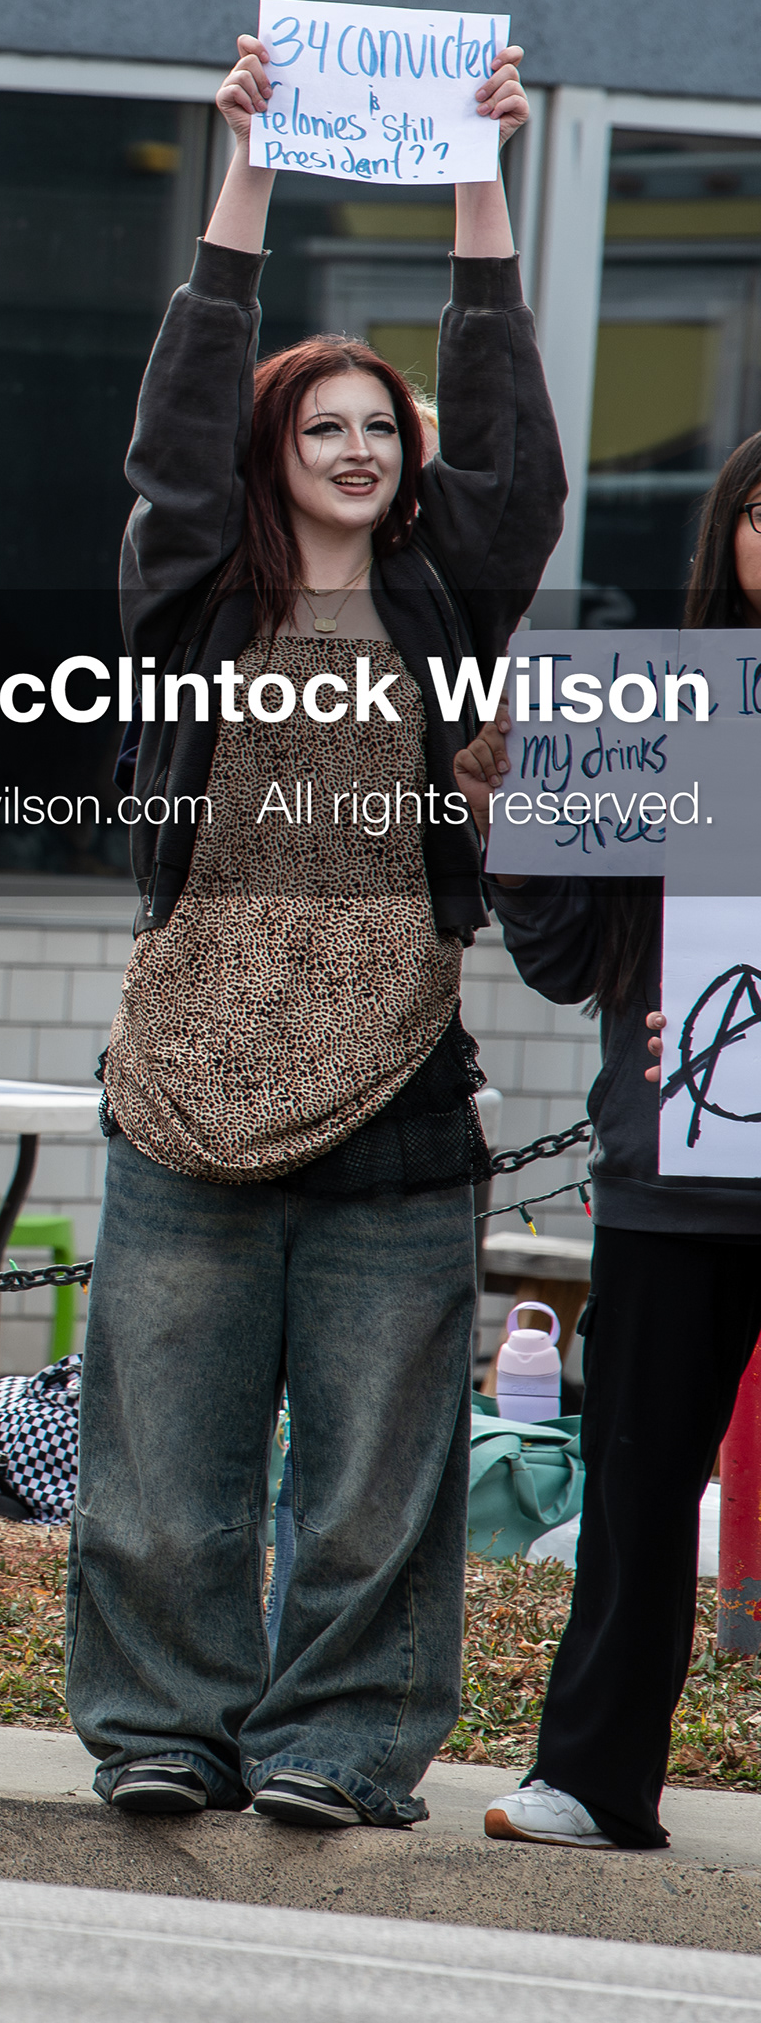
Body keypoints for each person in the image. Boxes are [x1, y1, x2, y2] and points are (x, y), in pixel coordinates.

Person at [74, 35, 559, 1830]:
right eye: (322, 424)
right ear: (273, 452)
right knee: (158, 1464)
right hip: (182, 1089)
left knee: (374, 1477)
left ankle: (340, 1747)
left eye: (382, 427)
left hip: (399, 1102)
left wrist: (479, 187)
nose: (359, 445)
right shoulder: (191, 595)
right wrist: (246, 172)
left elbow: (511, 459)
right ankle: (159, 1730)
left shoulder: (448, 593)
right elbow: (175, 435)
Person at [478, 431, 761, 1853]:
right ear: (728, 536)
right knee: (640, 1495)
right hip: (680, 1180)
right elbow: (569, 957)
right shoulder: (666, 715)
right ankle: (592, 1780)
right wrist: (521, 827)